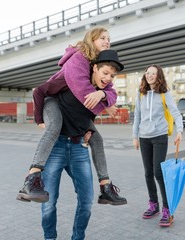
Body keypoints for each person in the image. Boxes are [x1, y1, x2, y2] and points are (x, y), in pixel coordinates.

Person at [16, 26, 126, 205]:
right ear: (92, 40)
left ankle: (106, 188)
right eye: (102, 38)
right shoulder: (79, 59)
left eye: (109, 38)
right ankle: (30, 180)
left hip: (73, 108)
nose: (107, 41)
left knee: (97, 139)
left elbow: (109, 94)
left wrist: (103, 95)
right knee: (54, 127)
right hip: (52, 99)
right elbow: (83, 94)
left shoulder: (97, 66)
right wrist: (39, 119)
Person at [41, 49, 124, 240]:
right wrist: (41, 117)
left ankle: (78, 237)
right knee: (48, 202)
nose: (108, 78)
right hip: (56, 147)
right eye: (105, 73)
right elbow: (44, 93)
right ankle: (49, 238)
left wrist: (103, 97)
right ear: (93, 68)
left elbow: (100, 104)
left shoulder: (100, 92)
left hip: (79, 148)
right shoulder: (73, 80)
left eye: (111, 75)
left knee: (86, 202)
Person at [132, 64, 183, 227]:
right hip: (144, 137)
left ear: (158, 76)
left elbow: (175, 112)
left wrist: (180, 131)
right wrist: (135, 136)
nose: (150, 76)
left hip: (160, 136)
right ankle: (153, 205)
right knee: (148, 173)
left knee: (158, 173)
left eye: (153, 73)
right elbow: (137, 116)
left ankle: (167, 209)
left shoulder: (164, 93)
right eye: (147, 73)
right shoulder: (141, 93)